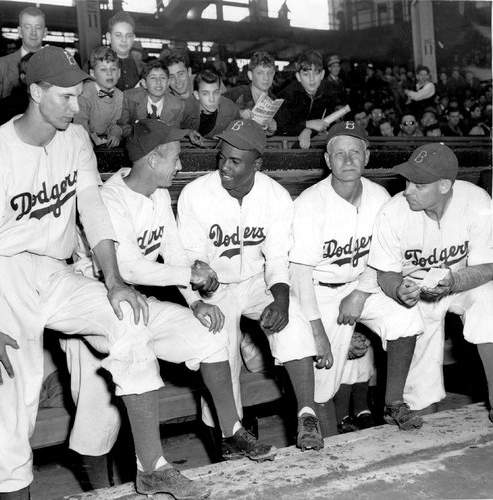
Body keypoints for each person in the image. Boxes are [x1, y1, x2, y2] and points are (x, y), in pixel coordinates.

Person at [0, 46, 211, 500]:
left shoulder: (75, 139)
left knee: (128, 318)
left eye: (77, 95)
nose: (75, 105)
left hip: (53, 269)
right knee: (11, 402)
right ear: (35, 91)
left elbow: (92, 209)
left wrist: (114, 281)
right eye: (66, 96)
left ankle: (152, 466)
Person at [63, 119, 277, 485]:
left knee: (208, 337)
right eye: (175, 158)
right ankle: (99, 492)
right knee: (97, 417)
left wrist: (195, 303)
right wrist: (188, 277)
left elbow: (175, 254)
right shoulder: (110, 199)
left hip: (133, 302)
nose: (179, 166)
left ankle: (232, 430)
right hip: (91, 303)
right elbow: (128, 265)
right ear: (152, 159)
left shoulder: (158, 195)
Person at [177, 119, 324, 451]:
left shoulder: (275, 196)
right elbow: (189, 259)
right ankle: (229, 438)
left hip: (257, 280)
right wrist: (201, 286)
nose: (224, 167)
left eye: (234, 161)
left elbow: (276, 260)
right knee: (216, 348)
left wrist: (282, 300)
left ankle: (306, 414)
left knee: (295, 319)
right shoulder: (196, 194)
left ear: (257, 164)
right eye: (222, 157)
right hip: (214, 288)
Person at [288, 120, 425, 436]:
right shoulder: (309, 204)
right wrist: (318, 331)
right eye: (339, 154)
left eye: (355, 152)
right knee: (323, 378)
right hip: (317, 290)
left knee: (405, 314)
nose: (348, 160)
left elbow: (383, 257)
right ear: (327, 160)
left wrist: (361, 293)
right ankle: (329, 447)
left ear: (367, 156)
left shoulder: (380, 197)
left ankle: (393, 402)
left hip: (362, 282)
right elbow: (300, 274)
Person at [368, 143, 493, 422]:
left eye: (419, 185)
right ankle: (417, 427)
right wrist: (398, 290)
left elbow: (489, 265)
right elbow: (385, 272)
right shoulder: (393, 212)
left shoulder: (477, 202)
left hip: (462, 281)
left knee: (490, 300)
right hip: (416, 291)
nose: (407, 191)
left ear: (445, 185)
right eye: (408, 181)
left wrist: (456, 281)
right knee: (419, 379)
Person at [276, 50, 332, 149]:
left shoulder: (326, 95)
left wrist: (308, 130)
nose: (312, 79)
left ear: (322, 74)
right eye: (306, 74)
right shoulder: (287, 95)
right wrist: (307, 124)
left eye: (316, 73)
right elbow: (280, 126)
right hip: (285, 147)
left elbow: (321, 123)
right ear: (298, 77)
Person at [0, 6, 46, 100]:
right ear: (19, 32)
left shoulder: (59, 65)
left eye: (38, 27)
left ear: (45, 32)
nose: (33, 33)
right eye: (27, 27)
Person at [118, 59, 184, 139]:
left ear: (167, 83)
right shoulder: (129, 97)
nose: (158, 82)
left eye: (163, 78)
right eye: (153, 78)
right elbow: (121, 126)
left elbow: (174, 134)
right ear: (144, 83)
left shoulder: (177, 105)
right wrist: (137, 132)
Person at [73, 46, 123, 147]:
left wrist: (115, 133)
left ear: (119, 73)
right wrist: (90, 140)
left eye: (113, 69)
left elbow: (114, 123)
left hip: (102, 141)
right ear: (92, 74)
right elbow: (80, 124)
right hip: (81, 138)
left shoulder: (119, 95)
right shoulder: (86, 92)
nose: (109, 73)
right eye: (103, 69)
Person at [223, 52, 278, 136]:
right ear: (250, 75)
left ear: (273, 74)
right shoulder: (236, 94)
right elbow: (214, 110)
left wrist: (271, 130)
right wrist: (237, 114)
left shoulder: (275, 101)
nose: (266, 78)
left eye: (269, 73)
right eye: (260, 73)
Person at [181, 69, 240, 139]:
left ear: (220, 93)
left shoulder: (231, 110)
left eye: (216, 92)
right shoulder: (185, 109)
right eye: (205, 94)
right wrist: (186, 133)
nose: (212, 99)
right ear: (197, 95)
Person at [106, 11, 140, 91]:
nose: (124, 40)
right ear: (109, 37)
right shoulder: (94, 65)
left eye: (128, 36)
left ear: (133, 38)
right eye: (118, 35)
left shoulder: (142, 68)